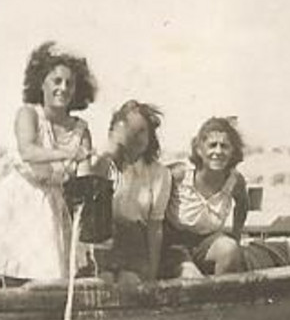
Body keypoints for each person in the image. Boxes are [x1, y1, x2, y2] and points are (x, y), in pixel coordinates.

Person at [0, 41, 97, 283]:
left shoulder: (81, 129)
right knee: (14, 274)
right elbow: (28, 151)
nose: (63, 88)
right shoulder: (29, 114)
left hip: (53, 205)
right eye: (57, 81)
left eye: (69, 83)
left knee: (52, 278)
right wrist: (67, 154)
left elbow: (83, 178)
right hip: (20, 200)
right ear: (41, 83)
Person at [89, 100, 170, 285]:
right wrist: (110, 151)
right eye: (128, 129)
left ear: (151, 137)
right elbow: (89, 192)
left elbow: (154, 227)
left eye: (142, 131)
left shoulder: (159, 174)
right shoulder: (101, 164)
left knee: (130, 282)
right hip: (102, 239)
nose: (134, 136)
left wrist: (152, 273)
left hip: (134, 242)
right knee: (103, 282)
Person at [163, 116, 251, 277]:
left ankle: (223, 297)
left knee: (229, 249)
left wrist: (237, 235)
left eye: (224, 146)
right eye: (212, 145)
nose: (218, 152)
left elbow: (243, 204)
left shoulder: (235, 181)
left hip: (206, 242)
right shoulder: (179, 175)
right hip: (173, 244)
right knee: (192, 278)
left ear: (233, 152)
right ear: (199, 149)